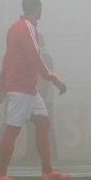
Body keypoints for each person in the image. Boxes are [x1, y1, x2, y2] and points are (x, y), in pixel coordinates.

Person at [0, 0, 69, 180]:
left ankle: (47, 171)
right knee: (12, 129)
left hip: (27, 88)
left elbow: (7, 58)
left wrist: (2, 86)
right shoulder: (27, 27)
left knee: (43, 123)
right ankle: (0, 174)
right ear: (37, 8)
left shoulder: (14, 28)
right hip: (21, 87)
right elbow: (35, 55)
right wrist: (53, 78)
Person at [21, 32, 58, 162]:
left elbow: (46, 78)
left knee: (45, 126)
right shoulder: (37, 56)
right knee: (32, 126)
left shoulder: (44, 56)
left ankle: (51, 154)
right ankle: (31, 152)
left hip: (43, 97)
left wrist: (40, 95)